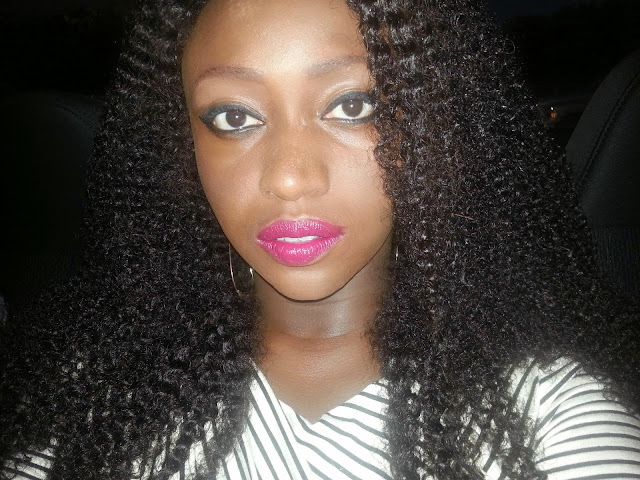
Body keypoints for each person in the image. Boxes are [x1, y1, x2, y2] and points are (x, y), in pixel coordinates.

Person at [1, 0, 640, 478]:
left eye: (353, 105)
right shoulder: (93, 401)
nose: (288, 177)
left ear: (435, 126)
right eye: (233, 116)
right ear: (183, 148)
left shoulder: (547, 419)